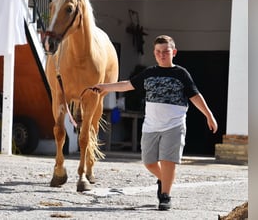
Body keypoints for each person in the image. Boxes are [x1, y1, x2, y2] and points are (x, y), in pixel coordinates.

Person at [92, 35, 218, 211]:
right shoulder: (149, 73)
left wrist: (208, 115)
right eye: (158, 52)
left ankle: (165, 195)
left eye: (166, 52)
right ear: (154, 53)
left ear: (173, 52)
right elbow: (127, 85)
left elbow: (195, 96)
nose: (162, 55)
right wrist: (104, 86)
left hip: (174, 125)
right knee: (149, 162)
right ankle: (164, 179)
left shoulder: (181, 74)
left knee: (168, 161)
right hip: (151, 126)